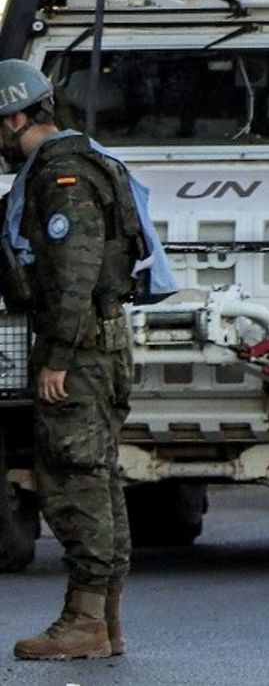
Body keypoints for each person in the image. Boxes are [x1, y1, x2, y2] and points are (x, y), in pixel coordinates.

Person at [0, 62, 143, 661]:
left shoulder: (63, 175)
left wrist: (56, 357)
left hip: (78, 348)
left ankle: (85, 621)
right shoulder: (75, 164)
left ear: (15, 116)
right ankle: (103, 620)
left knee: (73, 481)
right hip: (93, 343)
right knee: (97, 477)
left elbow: (74, 272)